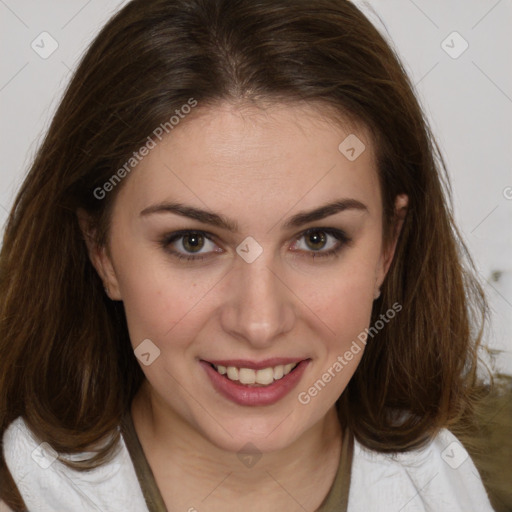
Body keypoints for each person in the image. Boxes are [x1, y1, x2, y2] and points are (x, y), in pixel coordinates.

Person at [0, 0, 507, 510]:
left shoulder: (449, 483)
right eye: (192, 242)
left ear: (388, 246)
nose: (260, 323)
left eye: (317, 239)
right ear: (101, 250)